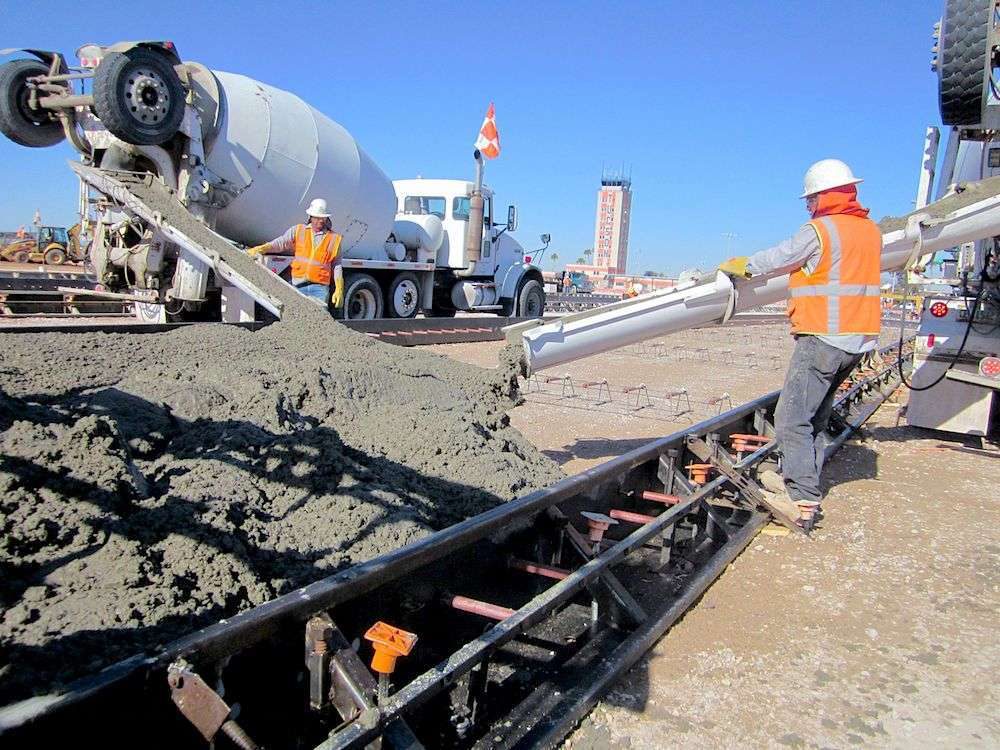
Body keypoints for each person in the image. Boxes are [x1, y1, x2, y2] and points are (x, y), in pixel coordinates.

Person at [718, 159, 882, 531]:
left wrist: (743, 265)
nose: (808, 206)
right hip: (858, 340)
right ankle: (801, 476)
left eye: (810, 199)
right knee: (817, 416)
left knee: (791, 418)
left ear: (825, 196)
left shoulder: (822, 230)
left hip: (823, 335)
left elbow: (780, 258)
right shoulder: (869, 231)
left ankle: (802, 497)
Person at [247, 199, 345, 309]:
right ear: (310, 216)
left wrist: (339, 287)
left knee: (317, 321)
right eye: (317, 217)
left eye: (323, 217)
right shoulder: (299, 230)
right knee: (297, 318)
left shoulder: (334, 238)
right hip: (297, 285)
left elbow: (336, 265)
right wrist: (262, 248)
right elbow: (282, 243)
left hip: (319, 288)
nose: (321, 220)